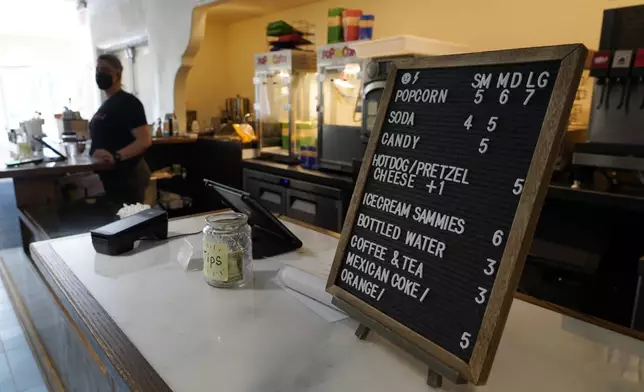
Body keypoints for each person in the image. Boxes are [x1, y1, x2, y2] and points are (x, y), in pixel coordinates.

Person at [90, 54, 152, 204]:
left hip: (128, 175)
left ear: (118, 74)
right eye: (98, 69)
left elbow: (144, 140)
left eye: (105, 69)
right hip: (112, 177)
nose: (100, 73)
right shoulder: (106, 105)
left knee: (130, 223)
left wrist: (116, 156)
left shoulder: (129, 103)